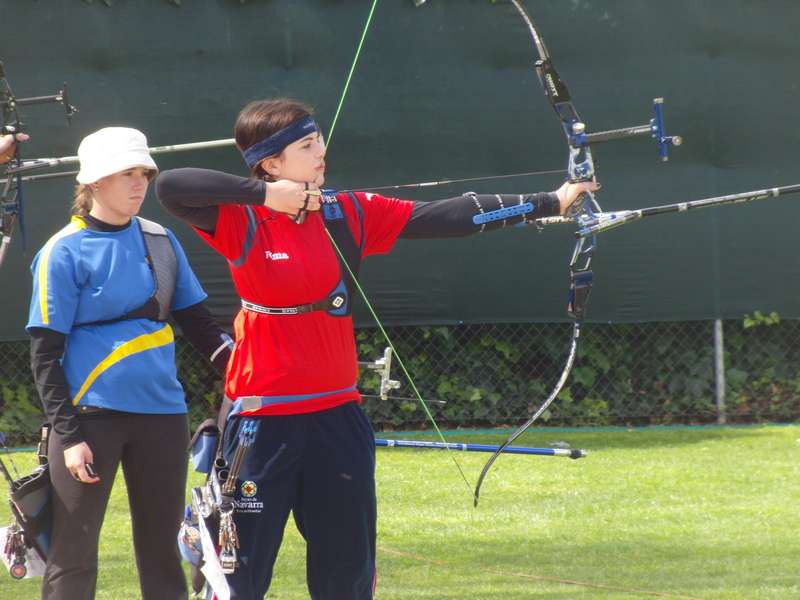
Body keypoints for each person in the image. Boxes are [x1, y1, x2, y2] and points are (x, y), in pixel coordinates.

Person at [156, 97, 598, 600]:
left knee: (346, 573)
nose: (321, 152)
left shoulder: (346, 212)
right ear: (272, 163)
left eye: (319, 139)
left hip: (337, 418)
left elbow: (446, 216)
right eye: (307, 146)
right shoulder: (241, 219)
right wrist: (265, 195)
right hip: (263, 420)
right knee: (239, 572)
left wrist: (551, 201)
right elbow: (172, 187)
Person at [27, 127, 232, 600]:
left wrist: (243, 367)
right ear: (95, 181)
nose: (140, 183)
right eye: (127, 174)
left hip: (163, 416)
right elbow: (45, 355)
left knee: (163, 551)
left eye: (144, 173)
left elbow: (199, 324)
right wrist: (69, 437)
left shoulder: (161, 239)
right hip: (89, 420)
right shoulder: (62, 250)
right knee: (72, 554)